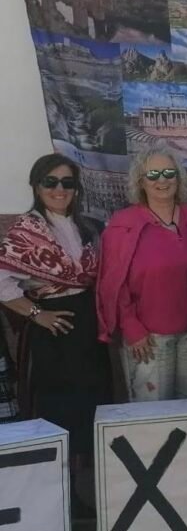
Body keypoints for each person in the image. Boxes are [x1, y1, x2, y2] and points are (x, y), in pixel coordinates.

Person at [0, 154, 111, 465]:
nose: (59, 189)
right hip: (54, 326)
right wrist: (37, 314)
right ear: (37, 187)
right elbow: (2, 281)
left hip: (87, 322)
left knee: (93, 396)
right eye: (51, 182)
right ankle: (62, 481)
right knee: (60, 402)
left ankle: (90, 479)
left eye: (67, 182)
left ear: (76, 189)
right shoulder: (26, 229)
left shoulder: (85, 226)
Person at [97, 147, 187, 401]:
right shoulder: (123, 225)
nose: (162, 180)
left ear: (179, 177)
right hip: (149, 338)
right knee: (154, 412)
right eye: (152, 174)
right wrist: (132, 327)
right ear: (141, 181)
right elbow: (114, 283)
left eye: (168, 172)